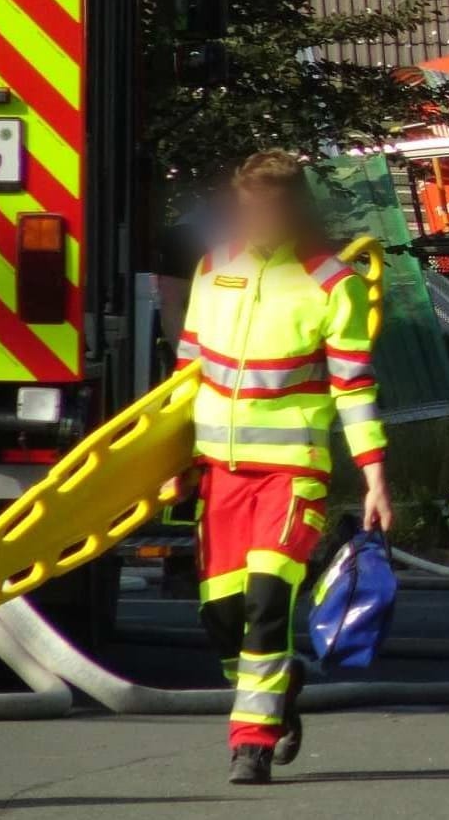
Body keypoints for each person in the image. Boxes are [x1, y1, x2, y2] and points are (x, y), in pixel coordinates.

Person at [174, 150, 392, 785]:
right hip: (218, 472)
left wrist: (375, 475)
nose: (256, 220)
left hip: (293, 472)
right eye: (248, 208)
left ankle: (253, 742)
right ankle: (280, 684)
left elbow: (354, 388)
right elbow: (185, 378)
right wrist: (170, 464)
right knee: (221, 616)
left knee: (269, 601)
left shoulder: (331, 283)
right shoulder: (214, 269)